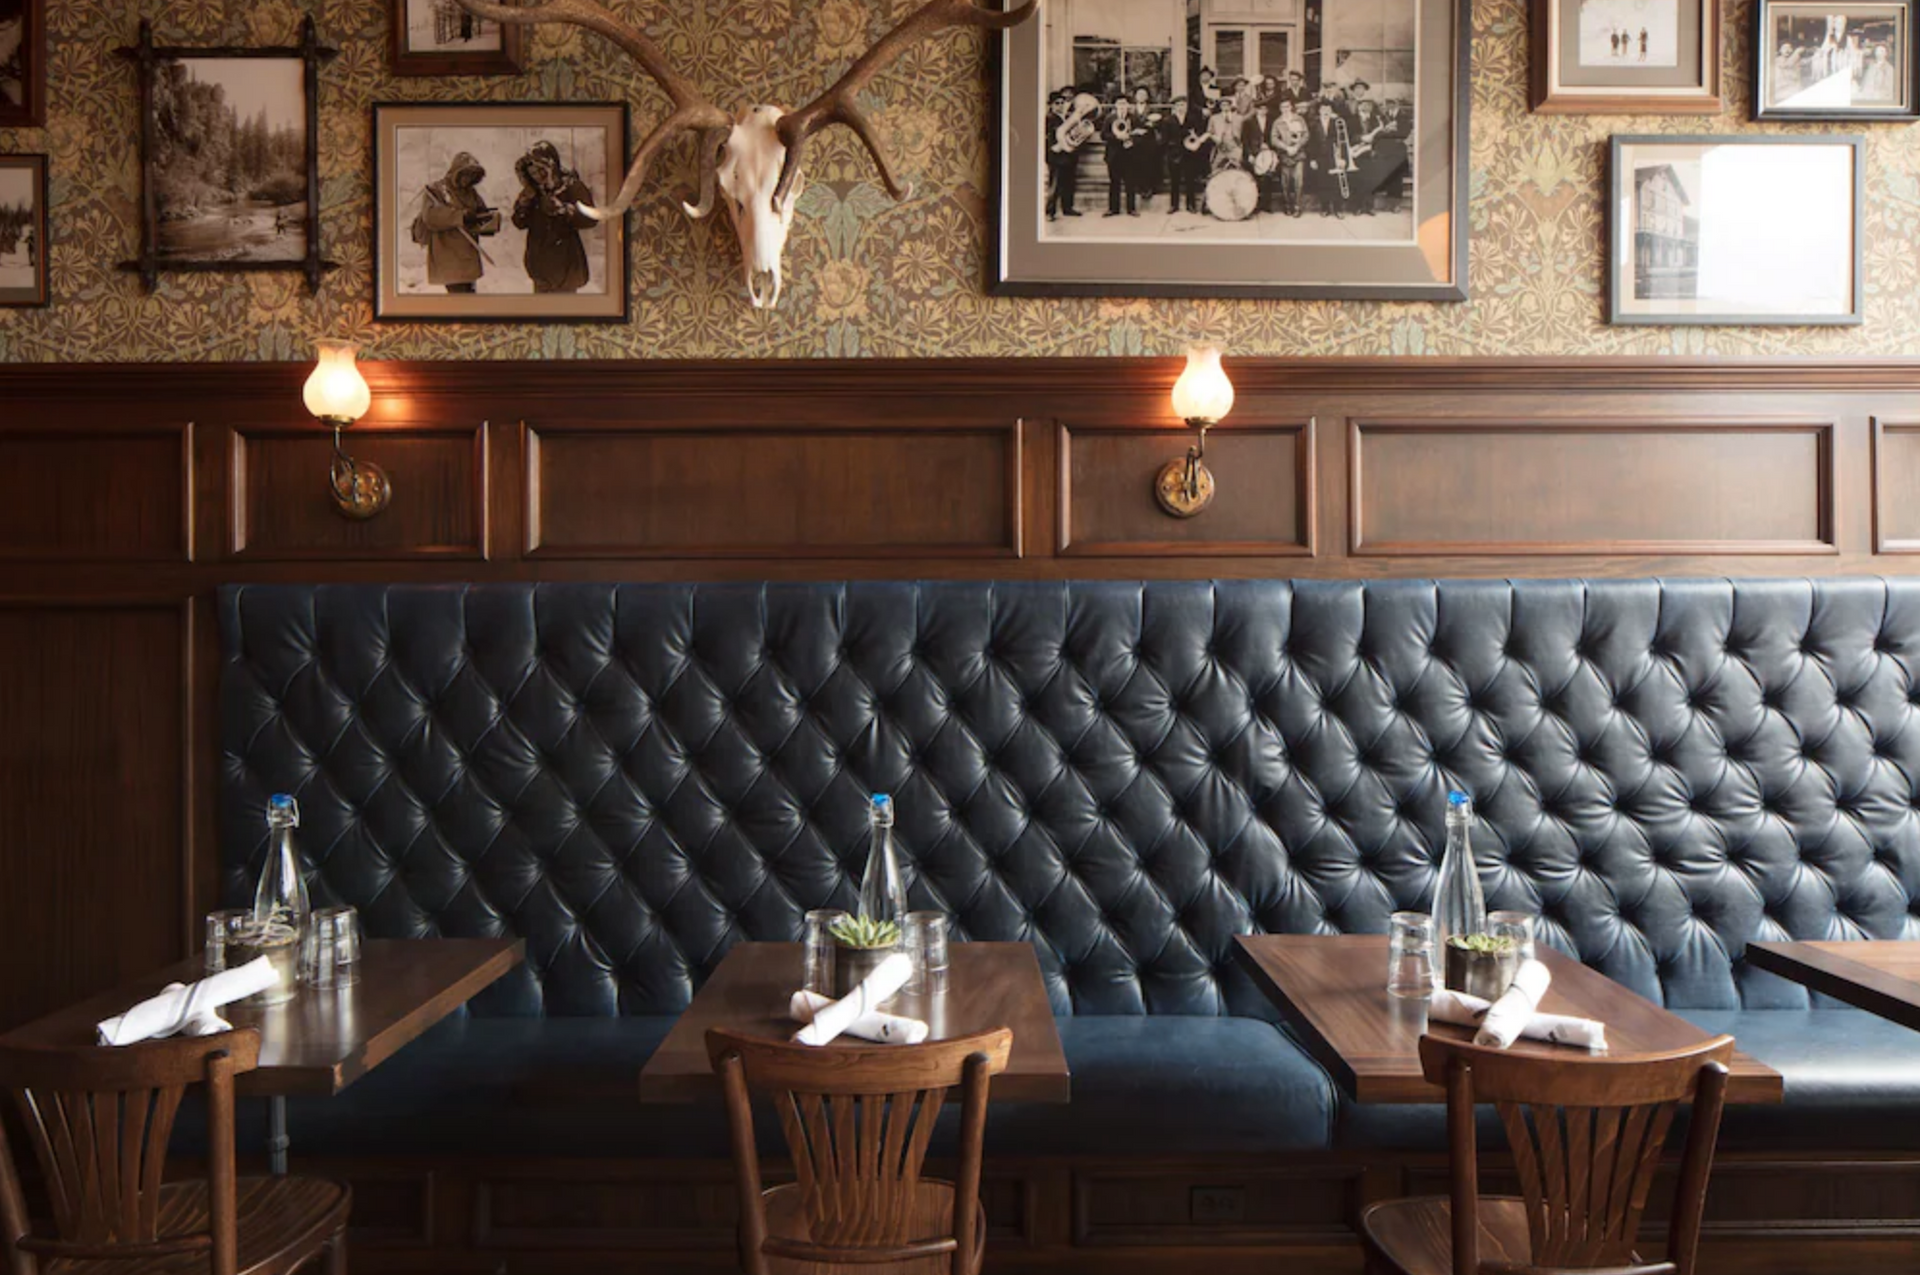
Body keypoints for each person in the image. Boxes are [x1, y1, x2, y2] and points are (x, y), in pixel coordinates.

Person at [511, 140, 597, 294]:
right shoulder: (532, 192)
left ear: (551, 166)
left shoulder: (572, 186)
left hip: (566, 265)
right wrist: (523, 205)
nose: (537, 177)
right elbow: (519, 223)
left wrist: (564, 210)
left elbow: (590, 219)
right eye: (533, 174)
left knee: (565, 313)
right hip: (540, 266)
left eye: (541, 171)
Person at [412, 150, 500, 293]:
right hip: (448, 256)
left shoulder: (471, 192)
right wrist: (461, 216)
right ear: (456, 172)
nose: (468, 179)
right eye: (466, 174)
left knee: (469, 300)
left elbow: (480, 213)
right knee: (459, 300)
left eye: (472, 175)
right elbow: (430, 216)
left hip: (468, 255)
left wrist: (487, 221)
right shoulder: (437, 190)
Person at [1045, 88, 1090, 219]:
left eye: (1061, 103)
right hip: (1057, 156)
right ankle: (1050, 211)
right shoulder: (1049, 118)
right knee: (1055, 184)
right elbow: (1045, 137)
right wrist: (1053, 147)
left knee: (1069, 183)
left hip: (1069, 155)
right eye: (1057, 103)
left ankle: (1067, 208)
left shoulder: (1065, 118)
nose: (1060, 105)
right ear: (1051, 105)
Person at [1162, 94, 1210, 214]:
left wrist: (1195, 140)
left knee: (1190, 180)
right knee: (1175, 181)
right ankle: (1174, 205)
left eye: (1183, 105)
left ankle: (1191, 205)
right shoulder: (1168, 120)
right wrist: (1172, 147)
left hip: (1189, 153)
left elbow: (1199, 133)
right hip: (1174, 154)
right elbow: (1164, 139)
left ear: (1186, 106)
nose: (1181, 107)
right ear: (1174, 107)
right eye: (1178, 105)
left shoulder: (1192, 119)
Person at [1239, 92, 1280, 213]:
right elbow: (1245, 140)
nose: (1263, 111)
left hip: (1268, 152)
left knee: (1268, 178)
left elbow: (1275, 136)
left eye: (1265, 109)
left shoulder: (1272, 121)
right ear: (1256, 109)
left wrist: (1270, 147)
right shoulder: (1248, 122)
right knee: (1255, 179)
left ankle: (1266, 204)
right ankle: (1255, 204)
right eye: (1260, 108)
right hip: (1254, 154)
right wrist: (1250, 154)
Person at [1271, 97, 1308, 217]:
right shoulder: (1277, 122)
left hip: (1298, 154)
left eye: (1287, 106)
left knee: (1299, 181)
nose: (1285, 109)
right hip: (1285, 155)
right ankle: (1287, 205)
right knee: (1285, 183)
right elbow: (1273, 138)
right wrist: (1286, 148)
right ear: (1280, 109)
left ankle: (1297, 206)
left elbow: (1306, 135)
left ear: (1291, 107)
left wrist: (1297, 147)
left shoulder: (1299, 119)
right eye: (1283, 107)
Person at [1102, 95, 1139, 216]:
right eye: (1120, 103)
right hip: (1114, 155)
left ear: (1128, 105)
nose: (1122, 106)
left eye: (1124, 103)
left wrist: (1131, 138)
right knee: (1114, 182)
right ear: (1116, 105)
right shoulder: (1109, 118)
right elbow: (1103, 135)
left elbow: (1141, 134)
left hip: (1129, 154)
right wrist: (1117, 137)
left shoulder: (1133, 118)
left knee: (1131, 182)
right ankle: (1113, 209)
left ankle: (1131, 209)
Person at [1130, 86, 1164, 207]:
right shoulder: (1131, 109)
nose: (1141, 96)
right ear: (1135, 96)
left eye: (1144, 94)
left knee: (1149, 164)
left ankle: (1148, 188)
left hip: (1148, 141)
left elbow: (1159, 121)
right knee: (1136, 164)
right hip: (1134, 140)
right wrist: (1133, 131)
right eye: (1139, 94)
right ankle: (1138, 187)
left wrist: (1152, 124)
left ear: (1148, 97)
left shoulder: (1152, 109)